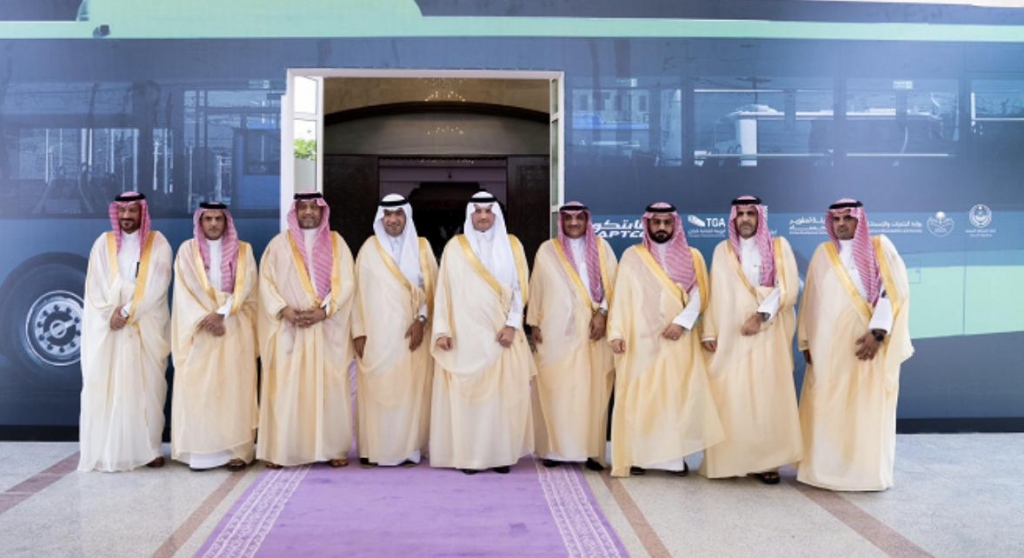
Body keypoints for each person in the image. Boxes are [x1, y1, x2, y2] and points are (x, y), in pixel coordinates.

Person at [797, 199, 913, 491]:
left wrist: (878, 333)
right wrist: (806, 341)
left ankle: (863, 473)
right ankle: (824, 470)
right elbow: (810, 298)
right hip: (827, 349)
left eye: (847, 218)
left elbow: (893, 292)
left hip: (866, 345)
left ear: (859, 220)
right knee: (827, 404)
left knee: (865, 408)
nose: (841, 224)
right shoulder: (822, 253)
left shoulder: (879, 247)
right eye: (836, 219)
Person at [606, 202, 723, 478]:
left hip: (677, 340)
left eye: (666, 222)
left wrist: (681, 323)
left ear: (675, 225)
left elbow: (700, 295)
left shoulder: (693, 256)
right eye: (656, 222)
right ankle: (640, 457)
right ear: (647, 224)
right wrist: (617, 333)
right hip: (640, 342)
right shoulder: (633, 256)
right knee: (642, 398)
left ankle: (673, 460)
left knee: (674, 398)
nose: (661, 227)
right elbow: (621, 296)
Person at [430, 192, 535, 474]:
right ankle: (471, 457)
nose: (483, 216)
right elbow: (443, 290)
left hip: (501, 335)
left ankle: (500, 456)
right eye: (477, 211)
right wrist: (442, 330)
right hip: (464, 337)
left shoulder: (513, 245)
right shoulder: (455, 247)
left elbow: (520, 289)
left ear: (496, 214)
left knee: (502, 397)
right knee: (470, 397)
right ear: (470, 214)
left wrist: (512, 325)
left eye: (489, 211)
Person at [699, 196, 801, 484]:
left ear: (760, 217)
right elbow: (715, 292)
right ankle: (730, 461)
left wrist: (760, 316)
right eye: (740, 214)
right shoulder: (723, 250)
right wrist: (709, 331)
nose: (745, 219)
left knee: (768, 398)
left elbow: (787, 288)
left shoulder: (779, 247)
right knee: (731, 398)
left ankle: (767, 463)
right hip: (731, 337)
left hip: (767, 336)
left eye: (750, 214)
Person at [257, 192, 356, 469]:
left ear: (322, 211)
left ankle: (332, 449)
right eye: (303, 207)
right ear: (295, 211)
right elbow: (266, 283)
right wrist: (285, 311)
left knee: (329, 389)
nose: (309, 212)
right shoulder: (278, 245)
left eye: (314, 207)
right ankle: (283, 451)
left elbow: (347, 282)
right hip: (289, 329)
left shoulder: (337, 243)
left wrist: (324, 311)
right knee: (287, 390)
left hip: (326, 328)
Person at [79, 191, 173, 472]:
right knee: (109, 388)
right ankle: (112, 450)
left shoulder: (158, 243)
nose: (127, 216)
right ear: (116, 213)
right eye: (122, 211)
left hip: (144, 327)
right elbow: (94, 286)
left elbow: (157, 285)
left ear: (142, 213)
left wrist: (127, 310)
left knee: (147, 390)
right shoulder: (103, 243)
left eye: (133, 211)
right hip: (111, 329)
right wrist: (111, 313)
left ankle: (150, 450)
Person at [527, 201, 617, 471]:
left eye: (579, 218)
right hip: (555, 332)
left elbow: (614, 286)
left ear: (587, 221)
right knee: (556, 389)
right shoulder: (547, 250)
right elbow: (537, 286)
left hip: (592, 331)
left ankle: (591, 451)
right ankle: (555, 450)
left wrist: (602, 314)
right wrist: (534, 322)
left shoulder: (602, 248)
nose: (574, 223)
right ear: (561, 222)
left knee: (592, 391)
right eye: (568, 218)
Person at [170, 202, 259, 471]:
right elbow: (184, 291)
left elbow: (247, 287)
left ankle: (237, 452)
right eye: (207, 219)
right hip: (199, 330)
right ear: (200, 222)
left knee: (234, 390)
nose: (213, 224)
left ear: (226, 221)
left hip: (234, 328)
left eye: (218, 219)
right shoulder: (187, 251)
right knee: (201, 390)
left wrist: (222, 313)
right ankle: (200, 454)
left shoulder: (244, 250)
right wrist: (206, 318)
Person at [352, 194, 438, 468]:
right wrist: (358, 332)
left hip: (412, 334)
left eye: (398, 214)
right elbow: (356, 294)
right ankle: (374, 449)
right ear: (381, 218)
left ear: (406, 216)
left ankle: (408, 449)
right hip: (376, 336)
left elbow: (432, 290)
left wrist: (422, 321)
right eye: (387, 215)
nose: (392, 220)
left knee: (410, 392)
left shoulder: (422, 248)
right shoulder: (368, 249)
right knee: (377, 390)